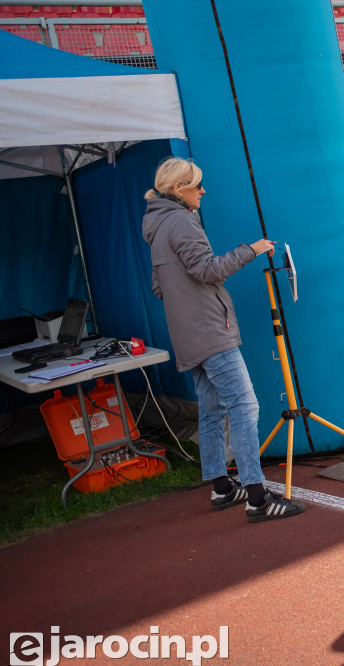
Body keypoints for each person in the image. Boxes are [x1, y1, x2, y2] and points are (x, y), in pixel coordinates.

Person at [142, 157, 304, 522]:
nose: (203, 191)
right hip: (210, 331)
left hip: (187, 334)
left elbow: (159, 286)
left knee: (212, 410)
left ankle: (221, 487)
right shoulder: (181, 221)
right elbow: (206, 269)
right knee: (244, 407)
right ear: (179, 189)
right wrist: (252, 249)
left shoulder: (157, 225)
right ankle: (258, 498)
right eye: (197, 185)